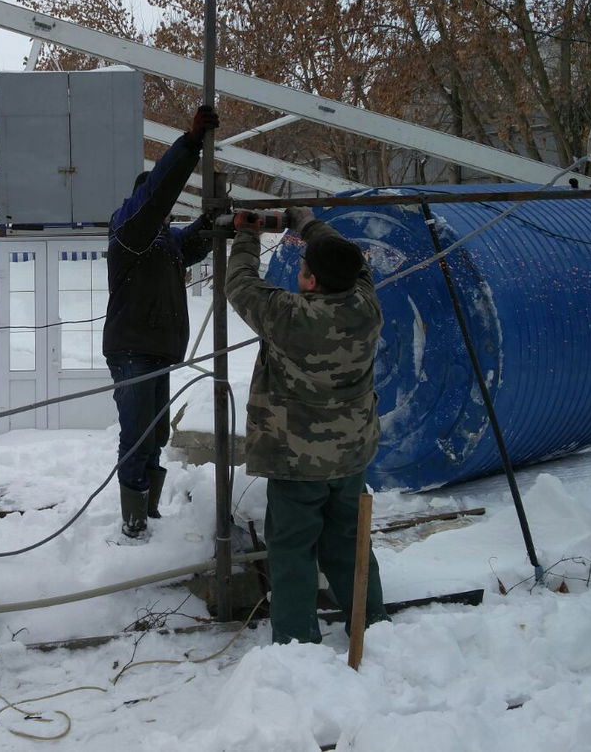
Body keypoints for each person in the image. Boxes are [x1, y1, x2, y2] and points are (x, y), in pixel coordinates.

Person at [225, 205, 390, 645]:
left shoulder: (289, 315)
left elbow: (240, 284)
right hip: (351, 454)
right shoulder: (365, 305)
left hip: (296, 460)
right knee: (349, 541)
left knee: (294, 549)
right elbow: (347, 256)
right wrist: (306, 223)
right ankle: (370, 620)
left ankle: (297, 642)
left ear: (311, 281)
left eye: (303, 267)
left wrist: (246, 235)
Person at [103, 104, 219, 539]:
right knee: (136, 435)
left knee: (154, 437)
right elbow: (155, 194)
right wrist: (190, 144)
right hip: (132, 349)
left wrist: (214, 222)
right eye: (160, 209)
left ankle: (148, 515)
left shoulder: (166, 241)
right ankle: (133, 524)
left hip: (159, 350)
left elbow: (192, 243)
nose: (167, 215)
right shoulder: (128, 233)